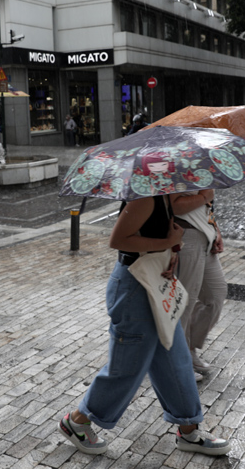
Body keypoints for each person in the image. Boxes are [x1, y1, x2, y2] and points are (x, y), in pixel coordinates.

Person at [57, 158, 231, 458]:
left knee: (175, 358)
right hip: (134, 289)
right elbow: (119, 240)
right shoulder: (146, 197)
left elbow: (153, 239)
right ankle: (77, 421)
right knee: (127, 366)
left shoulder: (163, 195)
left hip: (153, 284)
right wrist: (168, 240)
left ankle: (189, 429)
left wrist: (170, 250)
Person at [169, 189, 226, 381]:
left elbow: (206, 207)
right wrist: (204, 196)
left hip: (205, 235)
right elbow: (173, 204)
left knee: (215, 296)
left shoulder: (201, 166)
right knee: (184, 302)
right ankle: (178, 361)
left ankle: (188, 348)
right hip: (186, 235)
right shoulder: (175, 166)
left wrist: (215, 230)